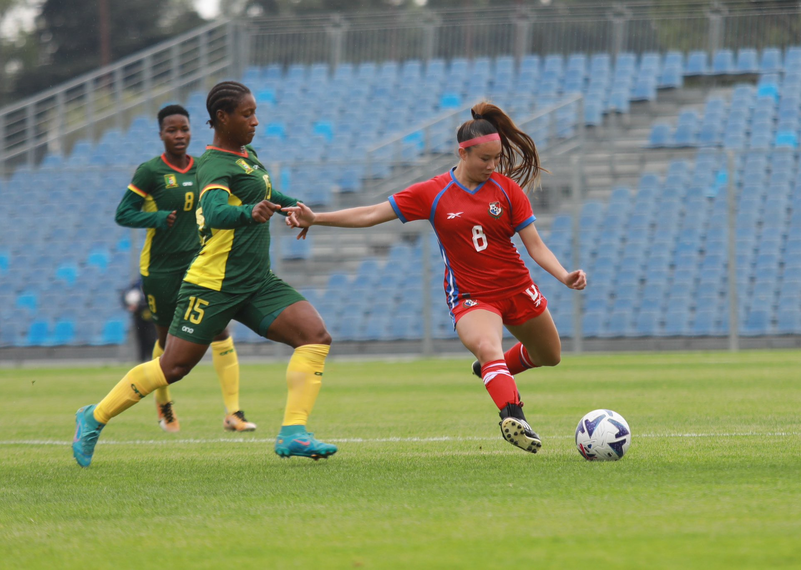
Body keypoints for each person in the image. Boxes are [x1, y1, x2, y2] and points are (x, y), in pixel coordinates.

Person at [283, 101, 586, 454]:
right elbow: (370, 214)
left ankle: (490, 370)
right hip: (473, 297)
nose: (492, 166)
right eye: (484, 159)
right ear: (463, 152)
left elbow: (535, 246)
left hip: (518, 288)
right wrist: (316, 218)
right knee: (490, 346)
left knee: (550, 355)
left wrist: (565, 276)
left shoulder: (507, 190)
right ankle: (513, 414)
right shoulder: (433, 192)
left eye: (496, 158)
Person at [73, 82, 336, 467]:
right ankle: (94, 417)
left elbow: (266, 191)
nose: (256, 121)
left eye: (255, 113)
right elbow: (214, 212)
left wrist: (294, 207)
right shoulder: (214, 165)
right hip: (213, 284)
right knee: (173, 368)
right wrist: (250, 213)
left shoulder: (247, 156)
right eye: (247, 115)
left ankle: (293, 433)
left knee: (315, 336)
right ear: (223, 119)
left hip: (256, 281)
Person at [113, 104, 255, 434]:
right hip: (160, 270)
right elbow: (124, 214)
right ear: (161, 134)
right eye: (172, 130)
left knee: (220, 329)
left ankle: (233, 412)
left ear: (193, 131)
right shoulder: (150, 172)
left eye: (184, 129)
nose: (179, 135)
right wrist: (156, 218)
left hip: (198, 265)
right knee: (167, 341)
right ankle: (164, 404)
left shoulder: (204, 167)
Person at [121, 278, 157, 363]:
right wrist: (128, 305)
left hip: (151, 317)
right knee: (141, 339)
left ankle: (153, 359)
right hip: (138, 317)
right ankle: (141, 360)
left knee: (152, 339)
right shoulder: (136, 284)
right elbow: (124, 296)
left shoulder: (153, 282)